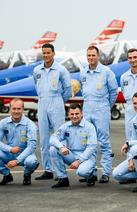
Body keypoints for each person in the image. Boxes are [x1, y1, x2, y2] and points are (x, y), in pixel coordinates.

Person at [79, 46, 118, 183]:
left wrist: (106, 106)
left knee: (103, 142)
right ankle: (91, 172)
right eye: (88, 55)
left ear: (98, 56)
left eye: (93, 55)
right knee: (89, 142)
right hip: (87, 108)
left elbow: (114, 92)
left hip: (102, 109)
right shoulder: (83, 72)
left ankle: (106, 172)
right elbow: (84, 92)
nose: (91, 58)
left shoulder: (106, 72)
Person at [33, 43, 72, 180]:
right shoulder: (37, 70)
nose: (46, 55)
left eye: (48, 53)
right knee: (44, 138)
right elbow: (36, 85)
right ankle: (48, 170)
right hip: (42, 102)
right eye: (43, 53)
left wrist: (60, 101)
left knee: (59, 137)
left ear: (53, 53)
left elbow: (68, 89)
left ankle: (59, 170)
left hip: (56, 102)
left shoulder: (61, 70)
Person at [0, 98, 39, 186]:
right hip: (10, 153)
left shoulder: (30, 125)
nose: (16, 111)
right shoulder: (3, 122)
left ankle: (27, 175)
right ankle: (7, 175)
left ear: (23, 109)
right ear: (10, 109)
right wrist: (10, 149)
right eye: (14, 108)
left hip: (25, 154)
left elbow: (32, 146)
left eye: (19, 109)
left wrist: (17, 161)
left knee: (31, 162)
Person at [49, 103, 98, 188]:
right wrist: (61, 147)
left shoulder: (89, 127)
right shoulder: (66, 126)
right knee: (53, 149)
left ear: (82, 114)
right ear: (68, 115)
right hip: (71, 155)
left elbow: (91, 147)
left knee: (82, 172)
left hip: (87, 157)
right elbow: (52, 138)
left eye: (77, 114)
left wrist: (79, 161)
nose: (74, 116)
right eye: (72, 114)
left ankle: (91, 175)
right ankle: (63, 178)